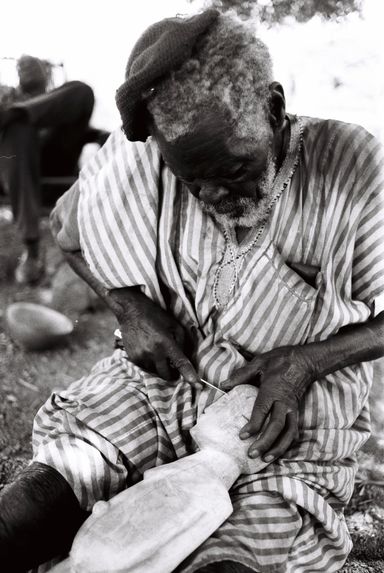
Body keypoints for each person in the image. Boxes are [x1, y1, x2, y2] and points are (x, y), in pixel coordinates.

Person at [1, 9, 384, 573]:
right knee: (39, 501)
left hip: (288, 414)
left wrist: (306, 362)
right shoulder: (143, 153)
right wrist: (128, 308)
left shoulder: (351, 166)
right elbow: (68, 226)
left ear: (273, 108)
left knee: (238, 555)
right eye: (191, 178)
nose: (212, 196)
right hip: (159, 388)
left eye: (232, 169)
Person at [0, 54, 108, 284]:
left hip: (57, 161)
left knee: (82, 90)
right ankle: (32, 248)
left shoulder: (58, 98)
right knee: (17, 127)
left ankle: (18, 112)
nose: (26, 69)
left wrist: (101, 136)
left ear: (44, 71)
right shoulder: (9, 94)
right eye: (22, 67)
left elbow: (83, 129)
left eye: (32, 65)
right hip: (21, 174)